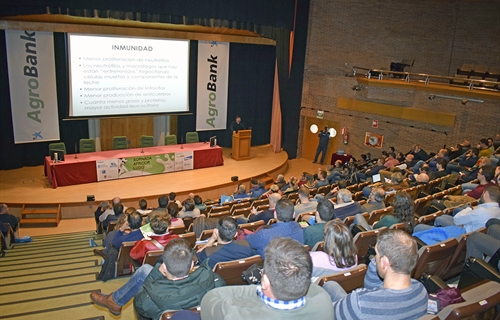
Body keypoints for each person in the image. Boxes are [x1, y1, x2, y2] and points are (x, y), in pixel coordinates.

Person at [200, 237, 334, 319]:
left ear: (265, 282)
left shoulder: (234, 314)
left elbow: (210, 298)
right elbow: (312, 288)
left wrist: (259, 289)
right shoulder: (323, 300)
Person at [90, 238, 225, 317]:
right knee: (144, 270)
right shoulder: (216, 279)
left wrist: (157, 272)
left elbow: (141, 303)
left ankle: (114, 301)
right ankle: (114, 300)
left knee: (145, 270)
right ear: (191, 265)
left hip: (164, 303)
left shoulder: (147, 301)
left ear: (164, 268)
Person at [323, 229, 428, 319]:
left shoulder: (359, 303)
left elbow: (324, 314)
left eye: (376, 255)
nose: (375, 259)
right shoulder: (421, 291)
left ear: (385, 262)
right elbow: (372, 286)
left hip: (355, 311)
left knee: (326, 287)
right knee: (330, 285)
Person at [413, 185, 500, 234]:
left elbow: (457, 219)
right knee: (441, 217)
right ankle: (434, 229)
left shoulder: (482, 211)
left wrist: (469, 208)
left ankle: (435, 232)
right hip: (469, 229)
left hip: (463, 232)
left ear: (486, 194)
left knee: (419, 227)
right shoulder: (498, 211)